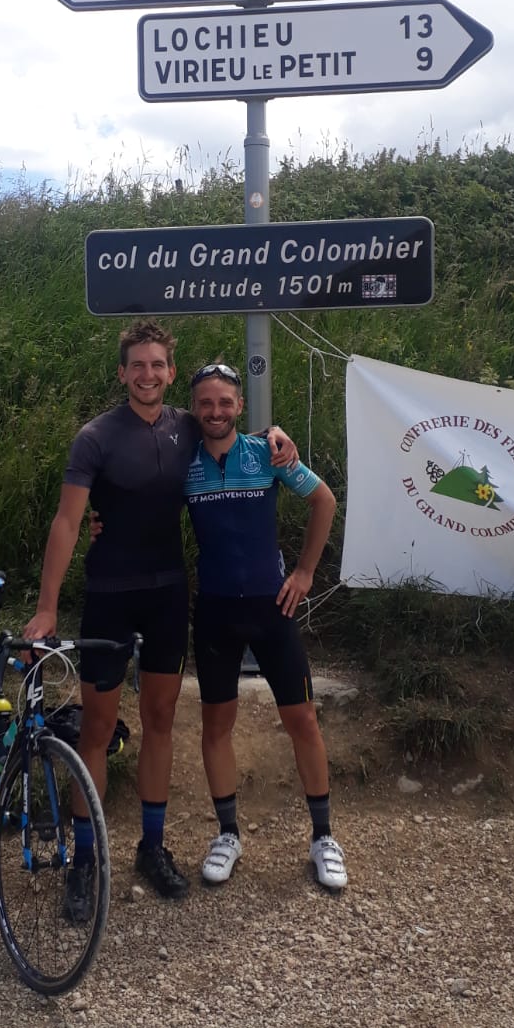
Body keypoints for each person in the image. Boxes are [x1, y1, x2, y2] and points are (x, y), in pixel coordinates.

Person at [23, 320, 297, 914]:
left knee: (161, 721)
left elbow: (236, 433)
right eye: (136, 365)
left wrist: (279, 438)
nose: (148, 375)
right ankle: (85, 860)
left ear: (171, 372)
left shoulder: (189, 427)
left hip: (170, 594)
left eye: (158, 365)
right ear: (122, 373)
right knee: (96, 730)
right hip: (110, 595)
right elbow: (69, 522)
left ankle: (152, 846)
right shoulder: (95, 437)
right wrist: (47, 607)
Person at [183, 360, 347, 892]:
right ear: (194, 408)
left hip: (271, 609)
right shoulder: (182, 462)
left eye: (225, 402)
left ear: (239, 406)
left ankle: (323, 837)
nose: (215, 411)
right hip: (214, 611)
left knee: (302, 720)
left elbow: (324, 500)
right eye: (205, 403)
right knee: (216, 727)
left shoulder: (269, 452)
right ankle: (228, 833)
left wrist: (304, 572)